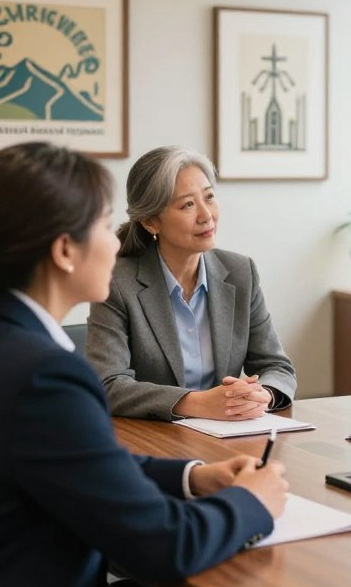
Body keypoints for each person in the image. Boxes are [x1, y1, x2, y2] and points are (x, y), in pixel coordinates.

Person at [0, 142, 288, 587]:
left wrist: (195, 477)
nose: (116, 241)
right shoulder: (43, 376)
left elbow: (85, 463)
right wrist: (255, 502)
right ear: (65, 250)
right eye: (103, 223)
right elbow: (168, 546)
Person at [87, 146, 296, 421]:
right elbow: (108, 383)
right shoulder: (117, 282)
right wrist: (195, 403)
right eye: (187, 204)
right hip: (151, 440)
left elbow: (277, 366)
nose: (206, 215)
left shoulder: (240, 271)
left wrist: (263, 395)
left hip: (228, 436)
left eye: (209, 197)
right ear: (151, 221)